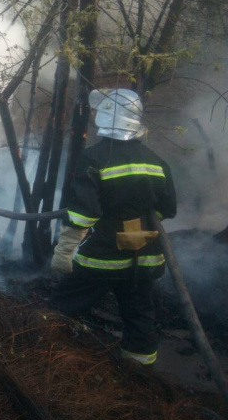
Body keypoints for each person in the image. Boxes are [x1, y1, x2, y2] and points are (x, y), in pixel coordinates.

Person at [50, 88, 177, 365]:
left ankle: (45, 354)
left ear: (106, 117)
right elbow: (168, 209)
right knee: (140, 314)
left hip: (103, 257)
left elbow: (85, 214)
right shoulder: (155, 161)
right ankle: (140, 372)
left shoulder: (94, 158)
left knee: (63, 304)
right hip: (143, 257)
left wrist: (66, 250)